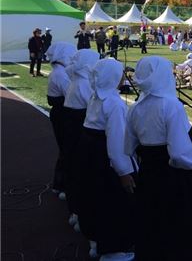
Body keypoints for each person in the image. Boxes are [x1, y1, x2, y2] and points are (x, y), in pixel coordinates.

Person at [125, 56, 192, 260]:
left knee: (150, 228)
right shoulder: (171, 105)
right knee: (175, 231)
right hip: (174, 180)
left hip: (147, 177)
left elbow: (128, 147)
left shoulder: (135, 108)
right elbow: (179, 155)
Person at [75, 59, 136, 259]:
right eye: (120, 74)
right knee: (111, 200)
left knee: (93, 194)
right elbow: (116, 144)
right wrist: (123, 172)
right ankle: (114, 249)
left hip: (88, 151)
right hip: (102, 154)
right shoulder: (114, 103)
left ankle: (94, 238)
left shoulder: (96, 97)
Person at [62, 49, 100, 226]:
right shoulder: (84, 84)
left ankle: (76, 211)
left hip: (73, 131)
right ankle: (80, 213)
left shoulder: (77, 80)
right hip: (80, 133)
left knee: (74, 169)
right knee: (81, 173)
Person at [46, 42, 77, 195]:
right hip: (63, 115)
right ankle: (63, 184)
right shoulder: (61, 74)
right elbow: (71, 95)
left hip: (59, 113)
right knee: (67, 149)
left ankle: (59, 184)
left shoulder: (59, 71)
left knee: (65, 149)